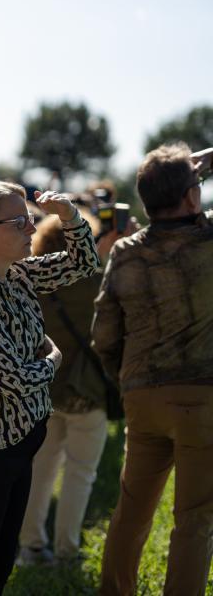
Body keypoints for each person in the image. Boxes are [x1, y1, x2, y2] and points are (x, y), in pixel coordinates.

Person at [0, 180, 100, 595]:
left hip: (20, 444)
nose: (31, 229)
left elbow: (85, 262)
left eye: (31, 219)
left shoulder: (19, 276)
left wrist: (69, 215)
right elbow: (12, 378)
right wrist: (53, 360)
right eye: (20, 222)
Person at [93, 142, 213, 596]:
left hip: (141, 394)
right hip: (202, 396)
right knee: (195, 520)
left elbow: (104, 333)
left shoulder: (126, 252)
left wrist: (126, 379)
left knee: (132, 510)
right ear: (191, 196)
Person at [17, 209, 129, 564]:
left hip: (45, 388)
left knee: (41, 469)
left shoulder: (29, 284)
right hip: (88, 390)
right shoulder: (97, 283)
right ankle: (67, 550)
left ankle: (31, 545)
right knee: (81, 473)